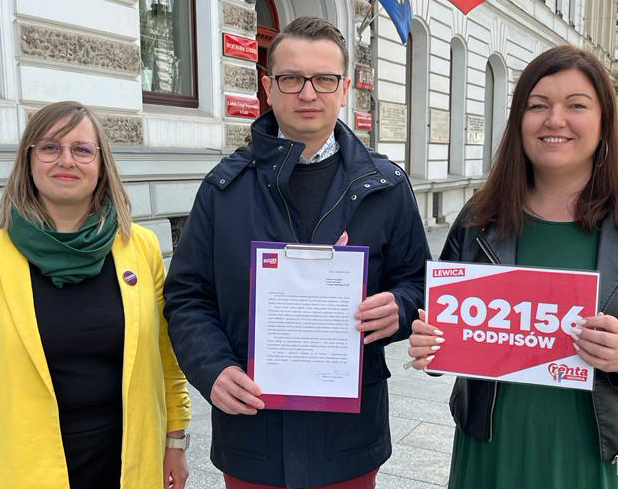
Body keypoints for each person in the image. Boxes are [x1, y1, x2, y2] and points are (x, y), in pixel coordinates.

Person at [407, 46, 618, 488]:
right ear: (519, 121)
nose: (555, 120)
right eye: (538, 106)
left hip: (613, 465)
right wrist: (430, 343)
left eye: (576, 106)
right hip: (495, 456)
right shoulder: (479, 220)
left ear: (603, 121)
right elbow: (443, 332)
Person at [164, 16, 429, 489]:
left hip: (348, 440)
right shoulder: (224, 189)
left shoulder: (385, 187)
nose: (308, 93)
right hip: (253, 433)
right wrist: (213, 369)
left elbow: (419, 283)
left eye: (324, 79)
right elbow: (187, 297)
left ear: (344, 89)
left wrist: (401, 308)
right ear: (268, 88)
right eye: (291, 78)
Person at [0, 101, 191, 489]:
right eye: (50, 147)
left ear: (101, 164)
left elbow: (165, 358)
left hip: (130, 462)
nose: (66, 160)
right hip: (25, 469)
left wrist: (175, 440)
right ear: (28, 160)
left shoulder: (140, 247)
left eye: (82, 149)